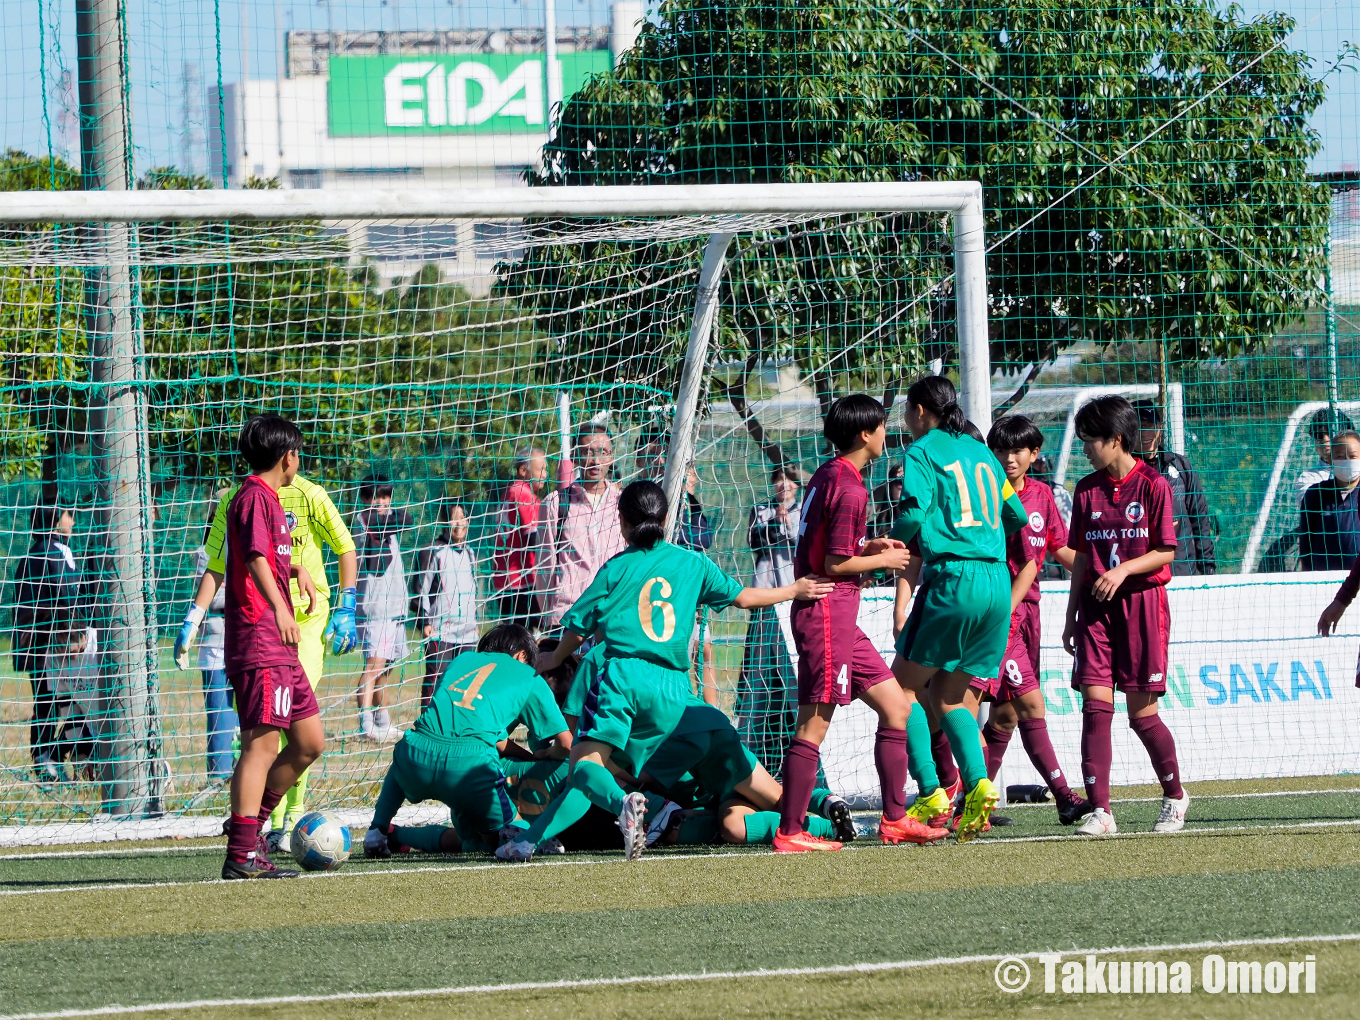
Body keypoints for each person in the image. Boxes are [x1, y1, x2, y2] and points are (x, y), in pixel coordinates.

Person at [496, 479, 835, 862]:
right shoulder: (692, 563)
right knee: (696, 773)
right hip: (675, 690)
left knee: (585, 767)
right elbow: (744, 598)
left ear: (621, 521)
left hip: (624, 678)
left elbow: (577, 626)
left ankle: (626, 805)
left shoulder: (616, 568)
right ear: (667, 516)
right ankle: (820, 818)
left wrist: (555, 658)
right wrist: (794, 590)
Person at [776, 394, 948, 854]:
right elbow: (833, 561)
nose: (887, 434)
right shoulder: (850, 487)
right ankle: (790, 829)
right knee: (813, 726)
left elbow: (833, 547)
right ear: (866, 434)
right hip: (828, 615)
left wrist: (868, 546)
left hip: (841, 617)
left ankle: (894, 820)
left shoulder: (831, 474)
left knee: (897, 707)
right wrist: (888, 558)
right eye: (881, 427)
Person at [176, 471, 357, 840]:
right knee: (267, 735)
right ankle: (260, 830)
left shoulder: (308, 495)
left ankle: (284, 817)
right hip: (266, 628)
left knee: (302, 736)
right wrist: (194, 616)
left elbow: (344, 546)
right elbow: (229, 560)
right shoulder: (246, 499)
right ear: (285, 456)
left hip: (304, 624)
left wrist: (346, 604)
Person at [887, 377, 1028, 842]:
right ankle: (979, 783)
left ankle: (929, 789)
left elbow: (912, 510)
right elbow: (1017, 516)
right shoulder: (982, 453)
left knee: (899, 691)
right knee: (950, 697)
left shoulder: (923, 451)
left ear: (921, 410)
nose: (906, 421)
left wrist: (890, 544)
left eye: (907, 411)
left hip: (955, 578)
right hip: (995, 583)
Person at [1061, 395, 1188, 837]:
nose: (1085, 448)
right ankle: (1101, 811)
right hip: (1095, 611)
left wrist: (1122, 571)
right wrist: (1071, 613)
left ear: (1116, 439)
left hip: (1142, 608)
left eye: (1089, 440)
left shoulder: (1153, 484)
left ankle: (1174, 796)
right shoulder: (1086, 489)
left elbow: (1166, 551)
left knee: (1141, 715)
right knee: (1095, 709)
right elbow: (1080, 558)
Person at [219, 414, 326, 880]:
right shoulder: (252, 498)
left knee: (308, 742)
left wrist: (297, 571)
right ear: (288, 456)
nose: (298, 461)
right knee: (260, 747)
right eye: (298, 453)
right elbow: (257, 558)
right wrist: (281, 608)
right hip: (261, 639)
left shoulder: (272, 501)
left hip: (279, 647)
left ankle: (249, 828)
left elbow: (268, 558)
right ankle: (241, 853)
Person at [363, 624, 572, 856]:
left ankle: (378, 830)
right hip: (471, 773)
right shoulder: (529, 676)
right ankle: (534, 839)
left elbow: (472, 729)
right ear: (522, 655)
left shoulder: (461, 660)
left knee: (406, 752)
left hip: (415, 759)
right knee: (504, 843)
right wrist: (542, 756)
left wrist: (525, 755)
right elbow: (566, 745)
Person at [982, 416, 1088, 824]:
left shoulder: (1042, 494)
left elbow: (1060, 550)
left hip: (1030, 614)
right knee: (1030, 703)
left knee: (1006, 714)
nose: (1008, 458)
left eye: (1017, 451)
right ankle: (1064, 795)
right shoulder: (986, 495)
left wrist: (1115, 571)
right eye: (1001, 450)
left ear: (1033, 454)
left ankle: (971, 805)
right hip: (998, 612)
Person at [9, 505, 86, 783]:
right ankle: (50, 760)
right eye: (69, 514)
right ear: (55, 520)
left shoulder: (29, 555)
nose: (73, 520)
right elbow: (67, 599)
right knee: (71, 705)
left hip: (34, 645)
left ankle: (47, 762)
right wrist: (75, 637)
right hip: (53, 646)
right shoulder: (56, 552)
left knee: (47, 705)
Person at [735, 468, 803, 771]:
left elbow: (800, 542)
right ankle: (750, 736)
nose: (783, 485)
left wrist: (787, 527)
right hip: (765, 600)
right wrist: (776, 522)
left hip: (794, 598)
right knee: (758, 665)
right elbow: (755, 540)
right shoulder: (761, 510)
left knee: (792, 667)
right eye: (778, 480)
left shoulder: (804, 511)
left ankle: (792, 732)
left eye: (789, 481)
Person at [534, 426, 626, 630]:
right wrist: (548, 620)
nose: (595, 460)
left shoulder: (623, 503)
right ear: (575, 456)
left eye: (603, 452)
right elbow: (544, 566)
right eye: (587, 452)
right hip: (568, 618)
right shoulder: (556, 503)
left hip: (613, 616)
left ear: (611, 457)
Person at [354, 476, 411, 741]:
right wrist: (392, 514)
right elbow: (407, 519)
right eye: (376, 497)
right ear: (365, 499)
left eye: (386, 496)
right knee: (373, 666)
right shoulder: (363, 523)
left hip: (395, 609)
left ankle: (382, 718)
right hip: (375, 610)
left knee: (386, 668)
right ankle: (365, 723)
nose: (382, 502)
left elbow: (407, 517)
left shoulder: (389, 525)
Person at [186, 490, 238, 782]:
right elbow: (211, 598)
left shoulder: (251, 545)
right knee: (219, 715)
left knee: (248, 715)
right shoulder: (205, 553)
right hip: (215, 645)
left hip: (246, 643)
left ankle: (246, 772)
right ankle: (218, 777)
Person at [1132, 401, 1216, 575]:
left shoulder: (1180, 465)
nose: (1145, 433)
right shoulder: (1124, 472)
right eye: (1139, 427)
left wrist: (1207, 565)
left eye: (1150, 426)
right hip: (1143, 574)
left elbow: (1199, 517)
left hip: (1183, 570)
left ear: (1160, 427)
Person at [416, 502, 479, 708]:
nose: (458, 523)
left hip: (467, 632)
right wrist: (424, 622)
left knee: (465, 682)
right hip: (440, 631)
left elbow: (473, 590)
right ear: (445, 523)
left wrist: (475, 620)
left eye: (462, 518)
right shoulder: (433, 551)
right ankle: (427, 722)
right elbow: (419, 590)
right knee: (438, 679)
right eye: (454, 518)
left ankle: (457, 727)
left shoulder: (470, 552)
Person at [493, 447, 547, 627]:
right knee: (536, 638)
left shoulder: (509, 492)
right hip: (521, 582)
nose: (545, 475)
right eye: (541, 469)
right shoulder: (522, 494)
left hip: (506, 581)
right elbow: (533, 539)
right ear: (523, 471)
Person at [1299, 431, 1360, 572]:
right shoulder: (1315, 494)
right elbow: (1306, 542)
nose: (1346, 461)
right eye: (1340, 456)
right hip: (1323, 582)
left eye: (1353, 456)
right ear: (1331, 459)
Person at [1296, 409, 1355, 500]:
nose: (1325, 439)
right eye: (1319, 435)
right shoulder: (1308, 478)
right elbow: (1312, 507)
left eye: (1331, 433)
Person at [872, 462, 906, 537]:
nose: (906, 486)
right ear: (890, 487)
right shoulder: (873, 529)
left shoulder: (927, 528)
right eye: (900, 481)